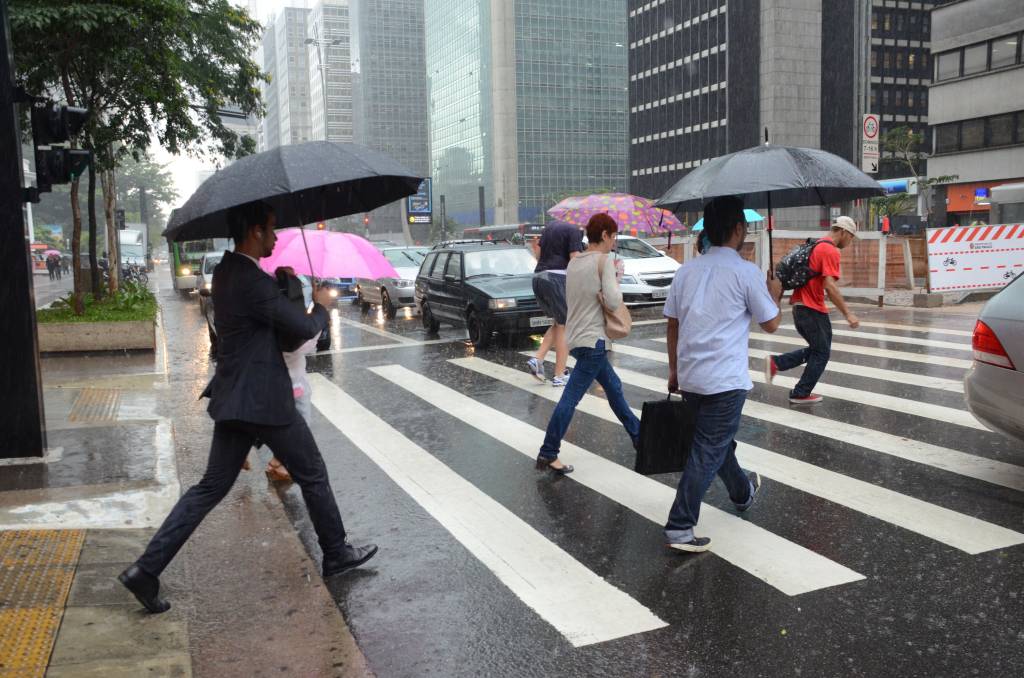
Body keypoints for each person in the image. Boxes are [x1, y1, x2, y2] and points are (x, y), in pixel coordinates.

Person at [118, 202, 377, 614]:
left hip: (235, 396)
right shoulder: (250, 280)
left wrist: (284, 286)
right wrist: (322, 304)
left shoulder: (227, 273)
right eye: (272, 230)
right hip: (263, 399)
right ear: (255, 232)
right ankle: (336, 552)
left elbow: (265, 319)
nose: (275, 238)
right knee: (312, 473)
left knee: (210, 488)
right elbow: (300, 329)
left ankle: (145, 570)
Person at [663, 196, 783, 553]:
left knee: (717, 444)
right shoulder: (745, 272)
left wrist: (673, 369)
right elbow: (772, 323)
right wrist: (775, 293)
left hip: (692, 378)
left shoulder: (686, 271)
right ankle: (680, 526)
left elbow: (673, 324)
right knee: (708, 449)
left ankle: (743, 493)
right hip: (725, 381)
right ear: (737, 229)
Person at [536, 214, 640, 475]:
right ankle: (548, 452)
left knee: (614, 388)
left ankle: (641, 439)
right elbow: (614, 302)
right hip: (594, 339)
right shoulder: (603, 262)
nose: (613, 241)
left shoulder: (575, 263)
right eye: (613, 236)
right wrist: (614, 277)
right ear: (604, 234)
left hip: (576, 337)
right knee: (570, 398)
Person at [764, 215, 860, 405]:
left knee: (818, 350)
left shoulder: (815, 245)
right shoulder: (829, 250)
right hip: (812, 309)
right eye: (851, 237)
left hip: (801, 309)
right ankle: (800, 392)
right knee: (822, 353)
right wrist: (848, 313)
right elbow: (829, 286)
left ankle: (777, 363)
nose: (850, 242)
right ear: (843, 232)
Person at [527, 220, 584, 386]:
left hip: (539, 277)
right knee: (564, 325)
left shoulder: (549, 228)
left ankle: (538, 359)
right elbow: (574, 258)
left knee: (558, 322)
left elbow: (538, 254)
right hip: (557, 277)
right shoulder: (573, 229)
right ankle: (559, 374)